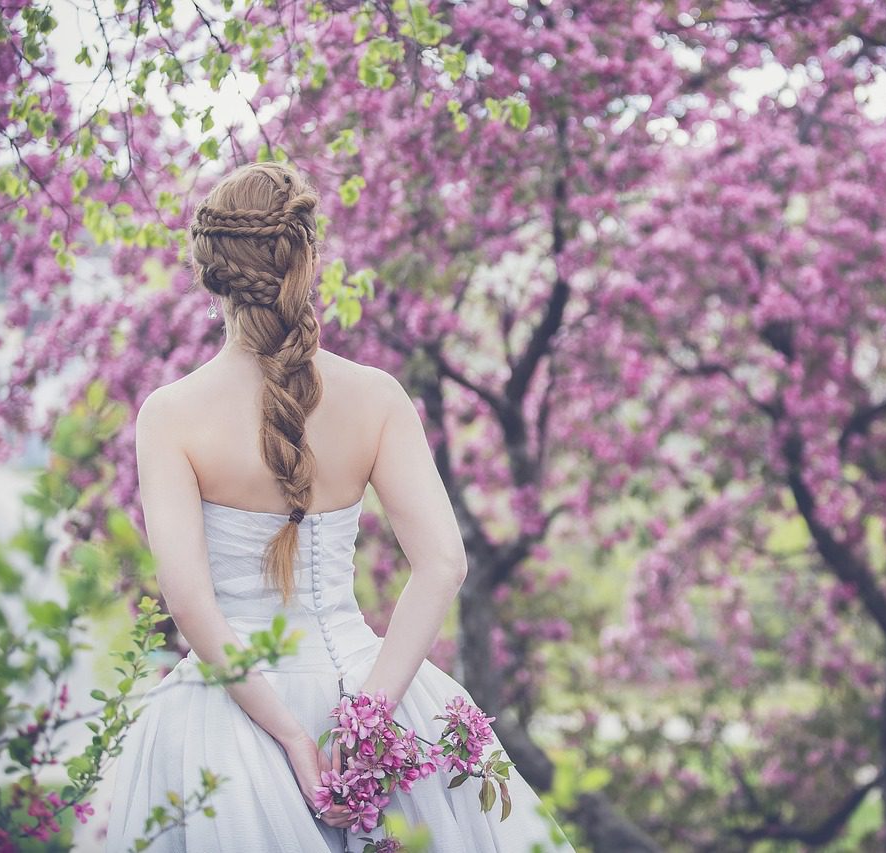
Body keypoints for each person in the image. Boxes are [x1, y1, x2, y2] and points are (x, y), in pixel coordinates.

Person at [103, 161, 574, 852]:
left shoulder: (169, 415)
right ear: (308, 260)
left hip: (227, 718)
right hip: (371, 683)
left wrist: (290, 734)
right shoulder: (377, 395)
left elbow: (187, 598)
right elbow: (442, 562)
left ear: (210, 271)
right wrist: (375, 713)